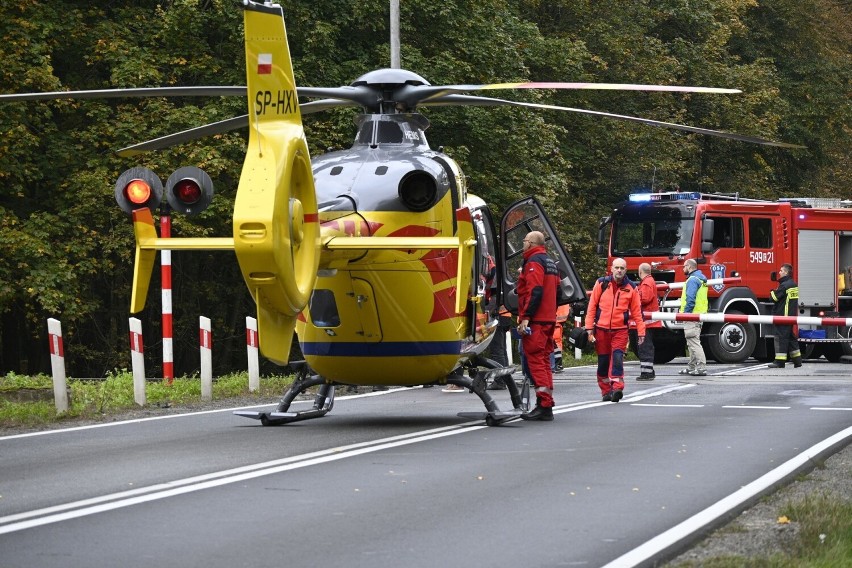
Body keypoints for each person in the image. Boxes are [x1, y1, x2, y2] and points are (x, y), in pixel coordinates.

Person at [584, 258, 645, 402]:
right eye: (616, 267)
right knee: (603, 361)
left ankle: (617, 387)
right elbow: (592, 306)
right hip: (601, 330)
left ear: (625, 270)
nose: (619, 270)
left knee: (617, 358)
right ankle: (606, 391)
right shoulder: (601, 283)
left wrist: (641, 331)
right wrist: (589, 328)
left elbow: (637, 312)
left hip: (620, 330)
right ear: (611, 269)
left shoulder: (631, 287)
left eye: (622, 268)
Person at [516, 231, 560, 421]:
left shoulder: (534, 262)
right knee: (543, 362)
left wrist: (526, 316)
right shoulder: (550, 262)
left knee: (535, 361)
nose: (522, 244)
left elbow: (534, 290)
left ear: (532, 243)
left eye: (524, 241)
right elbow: (557, 292)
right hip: (548, 319)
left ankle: (543, 405)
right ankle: (546, 403)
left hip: (537, 320)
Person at [770, 263, 803, 368]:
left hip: (783, 316)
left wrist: (771, 292)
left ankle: (779, 362)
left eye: (781, 271)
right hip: (790, 316)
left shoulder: (784, 285)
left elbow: (774, 298)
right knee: (791, 338)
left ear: (786, 272)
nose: (779, 272)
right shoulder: (793, 284)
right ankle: (798, 361)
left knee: (781, 338)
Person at [679, 258, 708, 376]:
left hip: (691, 315)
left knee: (694, 342)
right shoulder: (700, 278)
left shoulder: (692, 280)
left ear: (689, 267)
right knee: (692, 342)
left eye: (684, 266)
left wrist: (685, 314)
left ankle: (701, 367)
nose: (683, 269)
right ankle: (691, 367)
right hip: (699, 315)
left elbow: (690, 299)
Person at [636, 263, 662, 381]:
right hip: (649, 321)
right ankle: (649, 371)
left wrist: (633, 300)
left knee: (644, 347)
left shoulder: (646, 283)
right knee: (645, 346)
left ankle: (647, 373)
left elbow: (645, 298)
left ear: (640, 272)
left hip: (647, 321)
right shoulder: (650, 281)